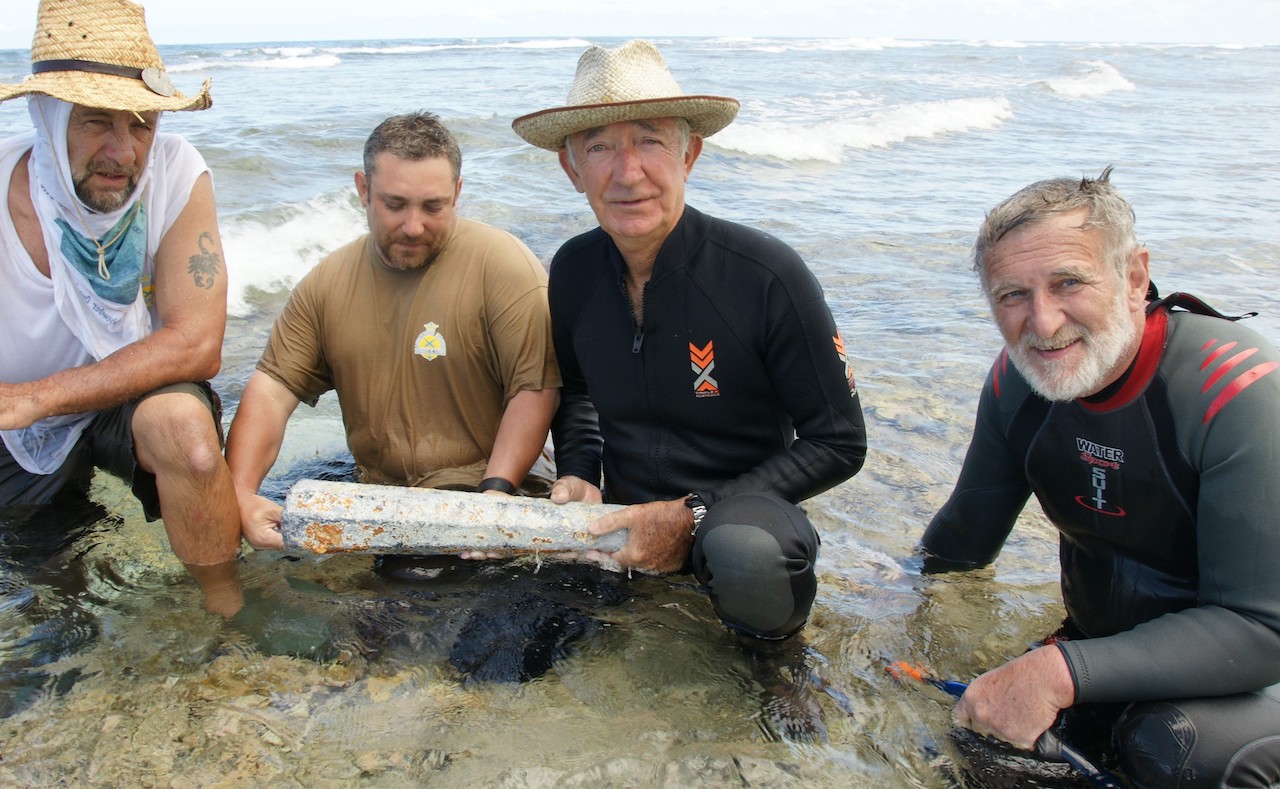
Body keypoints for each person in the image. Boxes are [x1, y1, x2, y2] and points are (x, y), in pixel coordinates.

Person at [921, 167, 1280, 787]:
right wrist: (893, 592)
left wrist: (1061, 672)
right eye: (1012, 295)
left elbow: (1262, 629)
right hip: (1099, 650)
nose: (1044, 322)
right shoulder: (1016, 383)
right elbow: (965, 535)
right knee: (971, 732)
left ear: (1134, 276)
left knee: (1172, 748)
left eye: (1069, 283)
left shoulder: (1237, 390)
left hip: (1245, 681)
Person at [511, 40, 866, 643]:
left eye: (649, 140)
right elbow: (578, 393)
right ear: (572, 169)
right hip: (621, 517)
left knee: (747, 550)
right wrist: (577, 472)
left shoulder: (766, 275)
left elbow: (839, 442)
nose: (627, 173)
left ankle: (777, 667)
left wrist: (692, 514)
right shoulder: (572, 269)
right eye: (599, 146)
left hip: (742, 516)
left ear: (689, 153)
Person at [0, 0, 242, 614]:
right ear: (48, 115)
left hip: (102, 395)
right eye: (96, 120)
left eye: (142, 123)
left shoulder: (177, 169)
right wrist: (20, 405)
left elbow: (197, 343)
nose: (124, 151)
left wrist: (39, 396)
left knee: (187, 436)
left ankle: (229, 613)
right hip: (11, 418)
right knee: (47, 595)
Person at [225, 111, 560, 552]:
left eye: (433, 206)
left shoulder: (503, 265)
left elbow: (535, 389)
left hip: (488, 483)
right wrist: (239, 494)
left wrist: (493, 498)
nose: (413, 226)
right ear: (363, 190)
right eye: (395, 204)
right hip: (376, 490)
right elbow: (271, 390)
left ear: (457, 194)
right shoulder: (326, 283)